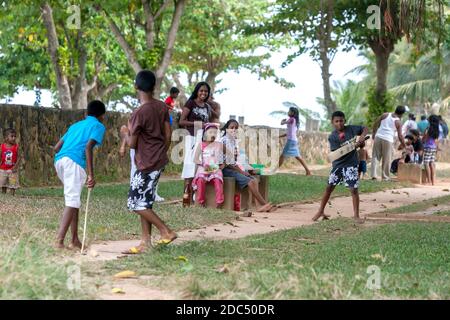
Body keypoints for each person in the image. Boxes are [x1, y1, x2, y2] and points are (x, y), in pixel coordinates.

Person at [123, 70, 177, 253]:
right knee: (145, 201)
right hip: (159, 159)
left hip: (146, 163)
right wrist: (162, 150)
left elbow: (132, 144)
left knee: (134, 202)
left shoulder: (139, 113)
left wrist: (125, 132)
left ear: (136, 86)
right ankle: (145, 242)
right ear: (154, 86)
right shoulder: (162, 107)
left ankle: (165, 231)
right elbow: (168, 134)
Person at [53, 100, 106, 249]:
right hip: (74, 163)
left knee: (73, 199)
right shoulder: (98, 126)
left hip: (59, 161)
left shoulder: (75, 125)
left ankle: (75, 239)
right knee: (72, 200)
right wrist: (91, 174)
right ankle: (59, 241)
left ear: (86, 113)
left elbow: (57, 147)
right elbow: (88, 147)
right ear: (102, 115)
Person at [313, 111, 368, 223]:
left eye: (341, 121)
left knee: (353, 190)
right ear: (332, 122)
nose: (339, 123)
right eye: (336, 121)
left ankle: (356, 215)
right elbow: (338, 152)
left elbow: (365, 128)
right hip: (338, 166)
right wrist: (354, 146)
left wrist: (362, 136)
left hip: (351, 165)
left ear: (345, 121)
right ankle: (320, 211)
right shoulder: (332, 137)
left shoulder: (352, 129)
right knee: (329, 188)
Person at [221, 119, 275, 212]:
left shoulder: (233, 141)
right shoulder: (224, 141)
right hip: (225, 169)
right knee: (250, 181)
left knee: (254, 179)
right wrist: (241, 172)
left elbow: (234, 160)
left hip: (233, 167)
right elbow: (229, 163)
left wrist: (244, 170)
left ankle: (259, 207)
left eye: (236, 128)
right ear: (226, 129)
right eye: (231, 128)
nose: (234, 130)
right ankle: (264, 204)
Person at [179, 82, 219, 206]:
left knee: (199, 167)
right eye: (201, 91)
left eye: (206, 91)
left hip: (203, 141)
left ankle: (197, 197)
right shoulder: (190, 103)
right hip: (191, 138)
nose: (203, 93)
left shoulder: (207, 107)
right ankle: (187, 197)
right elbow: (182, 121)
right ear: (197, 91)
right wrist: (198, 124)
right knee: (189, 166)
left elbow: (215, 117)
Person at [192, 123, 224, 208]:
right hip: (204, 167)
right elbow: (195, 159)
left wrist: (223, 164)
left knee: (217, 180)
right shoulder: (201, 145)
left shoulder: (219, 145)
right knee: (200, 179)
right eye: (210, 132)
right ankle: (201, 201)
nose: (213, 134)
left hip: (215, 167)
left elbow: (229, 154)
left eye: (215, 133)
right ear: (206, 134)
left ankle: (219, 202)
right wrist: (202, 164)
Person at [371, 105, 407, 181]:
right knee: (387, 158)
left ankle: (374, 175)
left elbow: (376, 123)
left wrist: (374, 133)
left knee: (375, 156)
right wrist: (404, 145)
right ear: (402, 114)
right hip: (388, 140)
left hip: (378, 137)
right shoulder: (398, 122)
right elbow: (400, 136)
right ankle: (385, 177)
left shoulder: (385, 115)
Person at [279, 107, 312, 175]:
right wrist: (279, 136)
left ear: (293, 113)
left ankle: (275, 169)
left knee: (282, 155)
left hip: (291, 141)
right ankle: (308, 171)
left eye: (289, 111)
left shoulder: (292, 119)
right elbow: (289, 133)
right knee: (298, 157)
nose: (288, 112)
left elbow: (282, 123)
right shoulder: (295, 122)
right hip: (293, 141)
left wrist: (282, 121)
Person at [0, 128, 20, 195]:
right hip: (3, 169)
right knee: (3, 183)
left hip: (13, 170)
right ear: (6, 137)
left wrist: (15, 167)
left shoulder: (16, 147)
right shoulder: (2, 146)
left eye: (15, 136)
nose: (14, 138)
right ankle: (3, 194)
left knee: (13, 183)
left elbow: (19, 157)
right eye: (11, 136)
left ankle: (12, 195)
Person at [423, 115, 440, 185]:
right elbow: (436, 140)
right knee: (432, 163)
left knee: (426, 163)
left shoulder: (429, 128)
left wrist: (423, 138)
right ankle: (433, 181)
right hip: (433, 147)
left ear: (431, 121)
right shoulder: (437, 129)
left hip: (428, 147)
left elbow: (425, 138)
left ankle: (429, 181)